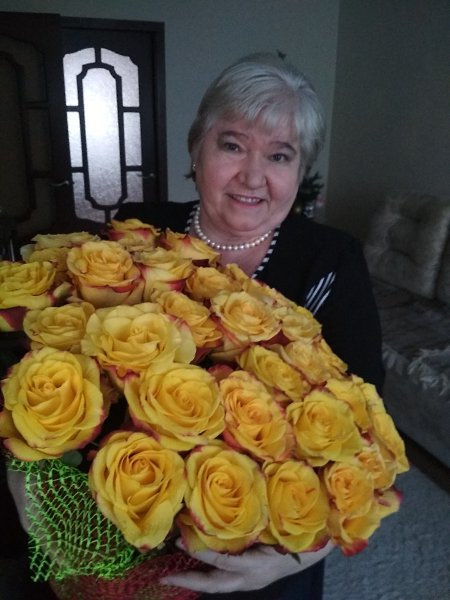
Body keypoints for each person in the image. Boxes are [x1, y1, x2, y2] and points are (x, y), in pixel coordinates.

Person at [115, 52, 385, 600]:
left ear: (300, 171)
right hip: (133, 513)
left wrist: (297, 556)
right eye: (233, 145)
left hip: (268, 546)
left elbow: (368, 427)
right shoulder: (137, 232)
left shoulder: (332, 259)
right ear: (197, 148)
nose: (253, 176)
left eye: (280, 155)